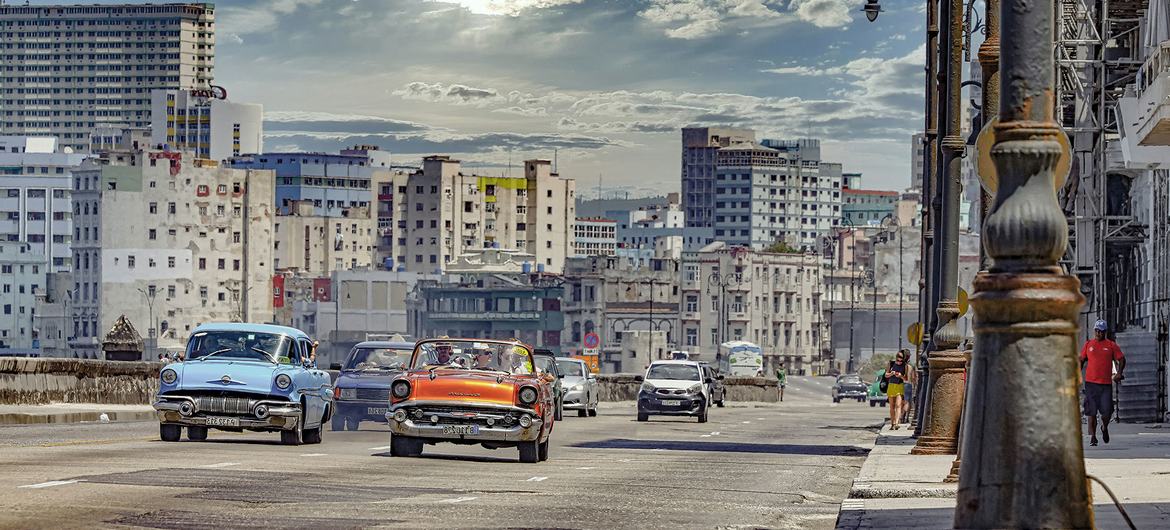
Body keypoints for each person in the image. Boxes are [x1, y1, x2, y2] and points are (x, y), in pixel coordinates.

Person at [1081, 319, 1126, 446]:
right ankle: (1093, 437)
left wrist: (1119, 373)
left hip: (1105, 385)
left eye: (1101, 331)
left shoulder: (1111, 345)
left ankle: (1104, 427)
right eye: (1096, 331)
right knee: (1091, 412)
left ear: (1105, 332)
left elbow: (1121, 359)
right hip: (1090, 384)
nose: (1098, 333)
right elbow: (1081, 360)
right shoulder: (1089, 345)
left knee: (1106, 412)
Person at [885, 351, 909, 430]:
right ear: (896, 358)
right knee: (892, 405)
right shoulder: (891, 364)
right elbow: (886, 375)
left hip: (899, 386)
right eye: (897, 360)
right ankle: (893, 423)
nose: (899, 362)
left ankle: (897, 422)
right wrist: (891, 374)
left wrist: (900, 376)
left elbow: (906, 378)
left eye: (901, 361)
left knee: (898, 405)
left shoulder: (905, 366)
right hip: (891, 385)